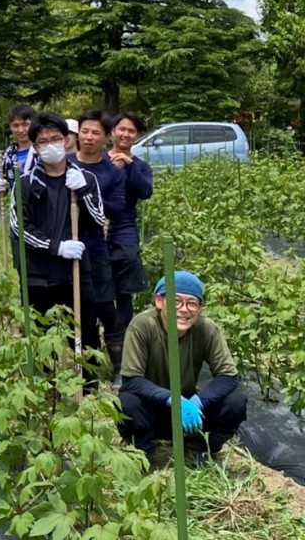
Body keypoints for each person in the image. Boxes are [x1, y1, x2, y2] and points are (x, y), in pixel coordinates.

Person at [119, 271, 247, 464]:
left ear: (200, 307)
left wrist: (197, 401)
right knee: (126, 402)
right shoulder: (142, 326)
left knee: (235, 403)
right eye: (176, 301)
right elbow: (131, 380)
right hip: (151, 410)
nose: (184, 309)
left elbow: (228, 376)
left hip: (189, 415)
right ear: (159, 301)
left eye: (192, 303)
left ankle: (199, 447)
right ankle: (143, 450)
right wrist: (171, 399)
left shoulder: (207, 329)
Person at [9, 112, 105, 318]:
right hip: (38, 276)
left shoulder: (85, 179)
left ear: (66, 140)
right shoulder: (26, 184)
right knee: (43, 341)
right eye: (43, 142)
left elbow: (98, 221)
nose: (50, 145)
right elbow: (19, 228)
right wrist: (57, 247)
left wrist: (83, 193)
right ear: (35, 147)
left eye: (55, 139)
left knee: (84, 338)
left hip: (77, 273)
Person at [70, 110, 127, 384]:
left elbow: (118, 208)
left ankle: (119, 368)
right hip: (66, 243)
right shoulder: (65, 163)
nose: (88, 137)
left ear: (106, 138)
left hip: (94, 244)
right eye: (84, 131)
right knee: (78, 308)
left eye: (95, 133)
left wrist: (89, 194)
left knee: (105, 305)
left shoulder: (111, 172)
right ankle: (87, 371)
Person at [107, 112, 154, 331]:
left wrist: (129, 163)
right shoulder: (99, 161)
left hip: (124, 228)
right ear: (112, 132)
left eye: (131, 131)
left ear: (138, 135)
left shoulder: (141, 166)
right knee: (98, 285)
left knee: (123, 290)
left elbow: (145, 191)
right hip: (96, 229)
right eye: (121, 129)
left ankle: (121, 338)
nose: (125, 134)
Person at [0, 103, 37, 197]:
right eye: (15, 125)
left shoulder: (43, 151)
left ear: (34, 124)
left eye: (25, 124)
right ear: (10, 127)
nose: (20, 130)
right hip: (19, 208)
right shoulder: (6, 157)